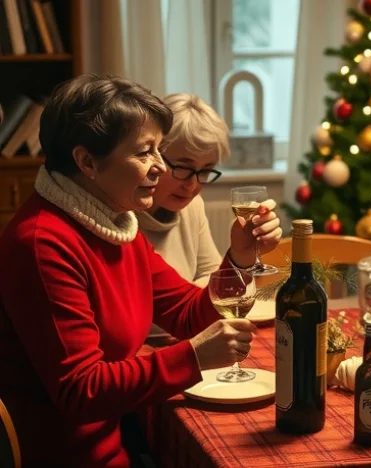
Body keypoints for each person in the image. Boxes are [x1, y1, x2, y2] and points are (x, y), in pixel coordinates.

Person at [0, 74, 259, 467]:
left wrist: (239, 256)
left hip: (115, 446)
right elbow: (81, 391)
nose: (160, 166)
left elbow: (188, 313)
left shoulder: (112, 220)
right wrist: (193, 356)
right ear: (87, 162)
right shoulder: (41, 243)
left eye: (159, 150)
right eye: (145, 152)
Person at [137, 93, 282, 288]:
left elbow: (214, 276)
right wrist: (198, 294)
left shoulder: (191, 206)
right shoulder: (121, 214)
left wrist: (243, 255)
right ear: (152, 154)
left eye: (205, 170)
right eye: (182, 168)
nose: (192, 186)